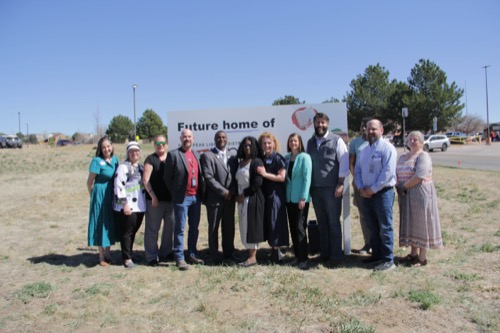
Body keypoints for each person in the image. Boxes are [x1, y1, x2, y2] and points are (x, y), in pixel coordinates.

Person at [306, 113, 349, 268]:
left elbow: (344, 162)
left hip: (332, 188)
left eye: (323, 123)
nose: (320, 125)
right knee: (322, 223)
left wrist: (340, 183)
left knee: (333, 222)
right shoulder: (310, 142)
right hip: (316, 189)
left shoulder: (336, 140)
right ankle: (324, 254)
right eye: (318, 122)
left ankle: (336, 256)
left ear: (327, 124)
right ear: (314, 124)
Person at [354, 119, 397, 271]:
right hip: (366, 194)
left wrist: (373, 189)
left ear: (381, 130)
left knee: (385, 227)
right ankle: (377, 255)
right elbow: (357, 171)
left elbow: (388, 173)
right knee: (372, 227)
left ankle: (388, 259)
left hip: (383, 193)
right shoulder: (364, 150)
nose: (371, 131)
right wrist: (360, 187)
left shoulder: (388, 148)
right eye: (368, 129)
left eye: (374, 129)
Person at [396, 131, 443, 266]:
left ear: (422, 142)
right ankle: (413, 253)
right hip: (405, 194)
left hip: (419, 193)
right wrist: (398, 185)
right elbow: (395, 172)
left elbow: (420, 175)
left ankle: (422, 258)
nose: (411, 141)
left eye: (415, 139)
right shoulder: (403, 157)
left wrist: (404, 186)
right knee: (410, 222)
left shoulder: (424, 156)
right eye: (409, 139)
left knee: (421, 223)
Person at [164, 129, 205, 271]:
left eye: (189, 136)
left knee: (194, 227)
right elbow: (167, 178)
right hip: (182, 199)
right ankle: (179, 257)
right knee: (180, 228)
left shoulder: (197, 155)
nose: (187, 139)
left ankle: (192, 253)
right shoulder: (174, 154)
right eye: (184, 136)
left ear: (193, 138)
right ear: (181, 138)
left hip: (195, 198)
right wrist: (175, 194)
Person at [200, 131, 239, 265]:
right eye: (218, 137)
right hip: (215, 199)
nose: (221, 139)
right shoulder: (207, 156)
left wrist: (232, 191)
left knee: (229, 228)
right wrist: (224, 192)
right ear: (215, 140)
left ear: (227, 139)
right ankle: (214, 255)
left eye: (223, 137)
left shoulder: (233, 157)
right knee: (213, 228)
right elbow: (208, 177)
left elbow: (235, 177)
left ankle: (228, 254)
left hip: (230, 200)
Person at [113, 141, 146, 269]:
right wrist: (124, 204)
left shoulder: (141, 167)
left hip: (139, 205)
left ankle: (130, 254)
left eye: (136, 151)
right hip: (128, 207)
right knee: (127, 232)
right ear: (128, 153)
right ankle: (126, 258)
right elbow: (119, 186)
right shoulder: (123, 167)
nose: (134, 153)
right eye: (131, 151)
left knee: (133, 231)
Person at [86, 136, 119, 266]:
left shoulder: (115, 160)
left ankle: (108, 254)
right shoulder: (96, 161)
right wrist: (93, 197)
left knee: (109, 223)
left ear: (112, 146)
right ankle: (101, 256)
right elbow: (89, 182)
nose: (106, 149)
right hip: (99, 194)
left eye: (108, 146)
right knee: (100, 223)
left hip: (111, 193)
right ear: (100, 148)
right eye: (103, 147)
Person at [257, 132, 289, 264]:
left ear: (274, 144)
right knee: (270, 222)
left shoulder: (277, 158)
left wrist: (265, 174)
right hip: (267, 196)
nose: (267, 145)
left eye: (269, 143)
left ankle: (277, 254)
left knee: (276, 221)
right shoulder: (263, 159)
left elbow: (282, 177)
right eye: (264, 143)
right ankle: (273, 250)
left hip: (276, 195)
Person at [143, 135, 174, 267]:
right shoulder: (151, 159)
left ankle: (166, 252)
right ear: (154, 144)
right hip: (154, 202)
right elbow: (145, 180)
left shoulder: (172, 157)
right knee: (152, 229)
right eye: (157, 142)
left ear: (166, 143)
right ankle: (151, 256)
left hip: (171, 201)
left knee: (170, 228)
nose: (160, 145)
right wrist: (153, 196)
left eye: (162, 142)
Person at [235, 136, 265, 267]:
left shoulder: (257, 162)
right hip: (241, 200)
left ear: (254, 146)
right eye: (245, 145)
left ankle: (253, 257)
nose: (247, 147)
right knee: (244, 226)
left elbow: (258, 183)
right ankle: (249, 253)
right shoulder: (241, 162)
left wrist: (244, 195)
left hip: (252, 199)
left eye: (249, 145)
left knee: (251, 227)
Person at [284, 133, 312, 269]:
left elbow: (307, 179)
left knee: (300, 228)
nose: (293, 143)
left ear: (300, 142)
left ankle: (304, 258)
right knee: (293, 228)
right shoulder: (286, 158)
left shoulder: (305, 157)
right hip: (289, 199)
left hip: (300, 199)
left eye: (295, 141)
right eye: (291, 141)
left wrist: (303, 198)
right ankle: (296, 256)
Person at [349, 118, 371, 255]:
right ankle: (368, 243)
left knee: (376, 215)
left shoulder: (379, 143)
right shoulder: (355, 143)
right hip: (360, 185)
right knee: (363, 216)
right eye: (362, 126)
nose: (364, 129)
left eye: (367, 126)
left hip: (375, 186)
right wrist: (358, 181)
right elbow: (351, 163)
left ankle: (378, 243)